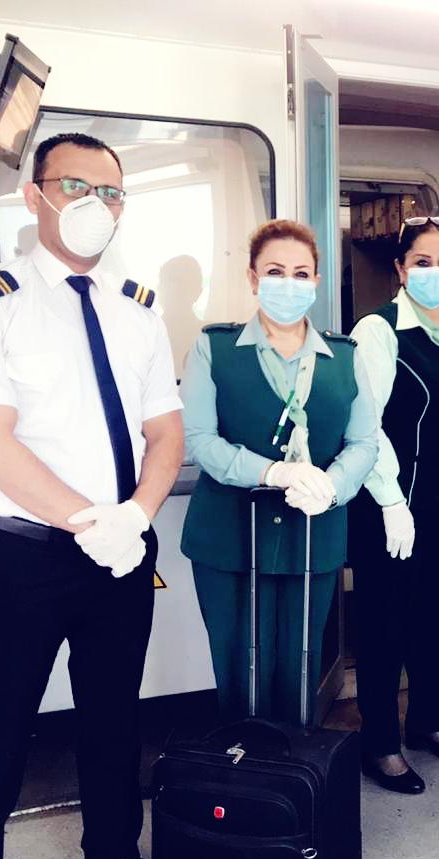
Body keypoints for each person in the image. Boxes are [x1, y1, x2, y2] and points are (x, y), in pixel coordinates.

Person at [0, 133, 184, 859]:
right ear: (34, 194)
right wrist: (91, 520)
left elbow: (165, 433)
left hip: (123, 551)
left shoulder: (138, 308)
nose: (96, 205)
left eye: (112, 192)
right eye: (78, 186)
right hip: (25, 557)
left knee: (114, 718)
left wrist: (136, 516)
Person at [179, 219, 379, 723]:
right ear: (252, 278)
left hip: (312, 535)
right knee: (238, 670)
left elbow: (364, 442)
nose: (288, 283)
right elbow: (200, 440)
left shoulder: (345, 357)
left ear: (316, 282)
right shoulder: (214, 348)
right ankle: (244, 760)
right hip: (229, 538)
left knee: (300, 667)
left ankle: (291, 764)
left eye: (300, 273)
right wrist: (273, 473)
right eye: (274, 271)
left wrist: (332, 485)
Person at [348, 216, 439, 794]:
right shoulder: (378, 331)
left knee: (431, 617)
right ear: (400, 270)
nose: (434, 272)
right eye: (422, 262)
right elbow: (366, 425)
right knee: (384, 625)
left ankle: (427, 718)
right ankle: (379, 744)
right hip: (391, 507)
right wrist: (391, 501)